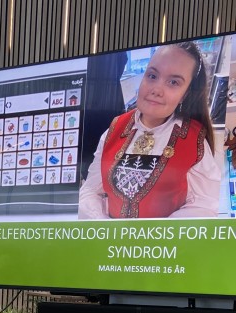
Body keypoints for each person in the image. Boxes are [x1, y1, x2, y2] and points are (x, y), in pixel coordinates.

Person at [79, 42, 221, 219]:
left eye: (173, 82)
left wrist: (153, 238)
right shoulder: (115, 129)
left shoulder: (194, 139)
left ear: (185, 94)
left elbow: (204, 205)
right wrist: (106, 230)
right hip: (111, 244)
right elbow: (90, 191)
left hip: (165, 245)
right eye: (152, 76)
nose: (156, 90)